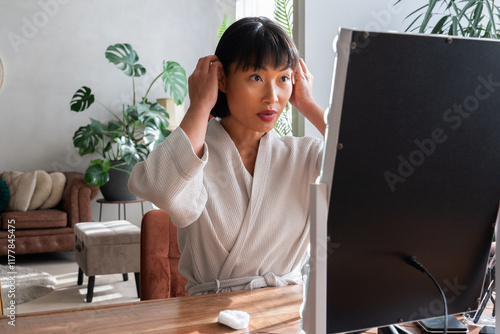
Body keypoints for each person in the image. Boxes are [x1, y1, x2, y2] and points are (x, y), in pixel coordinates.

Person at [128, 16, 326, 295]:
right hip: (212, 315)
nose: (272, 96)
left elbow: (372, 171)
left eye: (283, 78)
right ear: (222, 78)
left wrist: (309, 105)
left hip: (289, 310)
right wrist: (200, 104)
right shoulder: (195, 154)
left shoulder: (305, 156)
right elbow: (163, 190)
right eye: (256, 77)